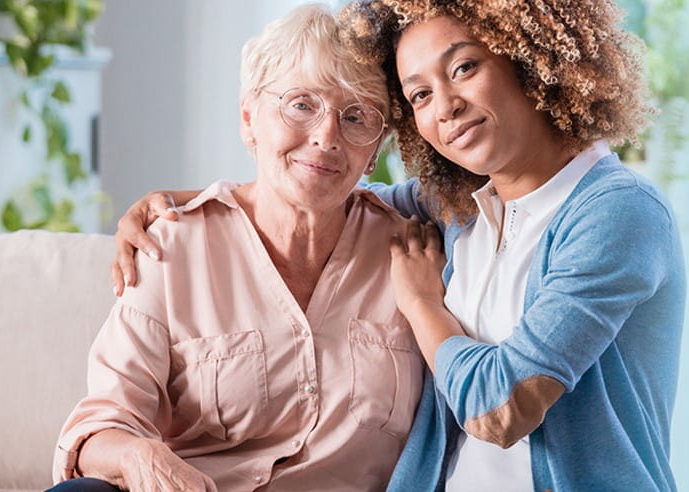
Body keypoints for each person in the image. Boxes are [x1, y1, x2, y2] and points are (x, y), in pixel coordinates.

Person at [114, 0, 686, 491]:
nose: (445, 106)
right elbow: (322, 184)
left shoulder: (618, 212)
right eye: (418, 95)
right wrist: (178, 201)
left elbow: (501, 408)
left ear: (528, 57)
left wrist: (421, 307)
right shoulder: (462, 205)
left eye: (464, 67)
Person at [49, 4, 425, 491]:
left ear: (375, 150)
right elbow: (102, 424)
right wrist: (139, 453)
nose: (327, 137)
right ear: (250, 118)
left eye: (356, 116)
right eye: (301, 104)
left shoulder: (413, 248)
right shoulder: (173, 247)